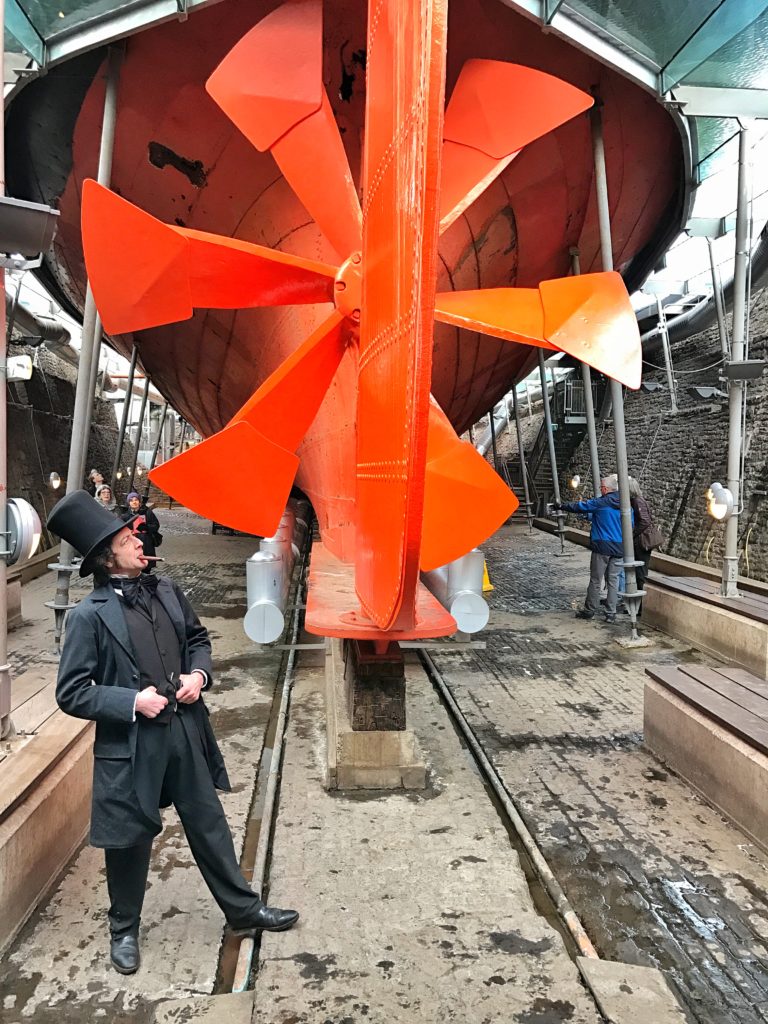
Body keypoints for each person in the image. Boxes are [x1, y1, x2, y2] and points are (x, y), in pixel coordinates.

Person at [47, 491, 298, 977]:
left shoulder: (167, 591)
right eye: (127, 540)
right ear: (106, 558)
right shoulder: (87, 616)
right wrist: (131, 701)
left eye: (133, 535)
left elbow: (198, 639)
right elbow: (71, 692)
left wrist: (198, 676)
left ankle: (243, 910)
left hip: (184, 728)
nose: (138, 543)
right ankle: (123, 930)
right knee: (129, 837)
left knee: (208, 821)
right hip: (131, 745)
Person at [555, 473, 629, 623]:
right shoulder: (625, 503)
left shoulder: (602, 502)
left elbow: (580, 506)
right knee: (613, 581)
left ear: (606, 489)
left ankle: (589, 610)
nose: (601, 489)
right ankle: (611, 613)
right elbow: (629, 523)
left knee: (596, 580)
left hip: (602, 546)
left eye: (602, 487)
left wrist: (562, 506)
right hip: (619, 547)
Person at [629, 477, 661, 614]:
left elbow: (644, 521)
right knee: (639, 573)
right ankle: (638, 605)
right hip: (641, 542)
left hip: (641, 543)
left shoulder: (637, 501)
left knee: (640, 574)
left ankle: (641, 607)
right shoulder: (639, 500)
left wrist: (632, 534)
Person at [122, 491, 161, 571]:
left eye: (136, 500)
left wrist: (147, 528)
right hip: (132, 543)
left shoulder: (147, 512)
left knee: (146, 566)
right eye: (131, 500)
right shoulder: (125, 516)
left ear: (139, 501)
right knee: (134, 565)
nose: (134, 502)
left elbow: (156, 525)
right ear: (129, 503)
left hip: (146, 542)